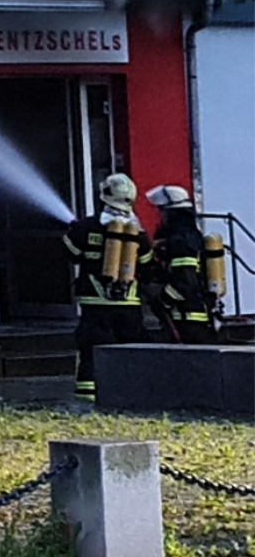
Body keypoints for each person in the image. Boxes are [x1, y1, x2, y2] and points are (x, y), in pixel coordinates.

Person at [62, 172, 152, 402]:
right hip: (129, 304)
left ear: (104, 196)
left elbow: (70, 253)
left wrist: (73, 231)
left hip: (95, 302)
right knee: (131, 349)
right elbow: (147, 264)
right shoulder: (138, 233)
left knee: (90, 350)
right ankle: (132, 393)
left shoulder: (87, 226)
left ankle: (86, 398)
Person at [145, 184, 218, 344]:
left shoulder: (181, 241)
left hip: (187, 318)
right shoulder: (189, 235)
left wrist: (163, 301)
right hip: (193, 315)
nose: (160, 216)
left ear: (171, 212)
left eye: (161, 211)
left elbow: (185, 281)